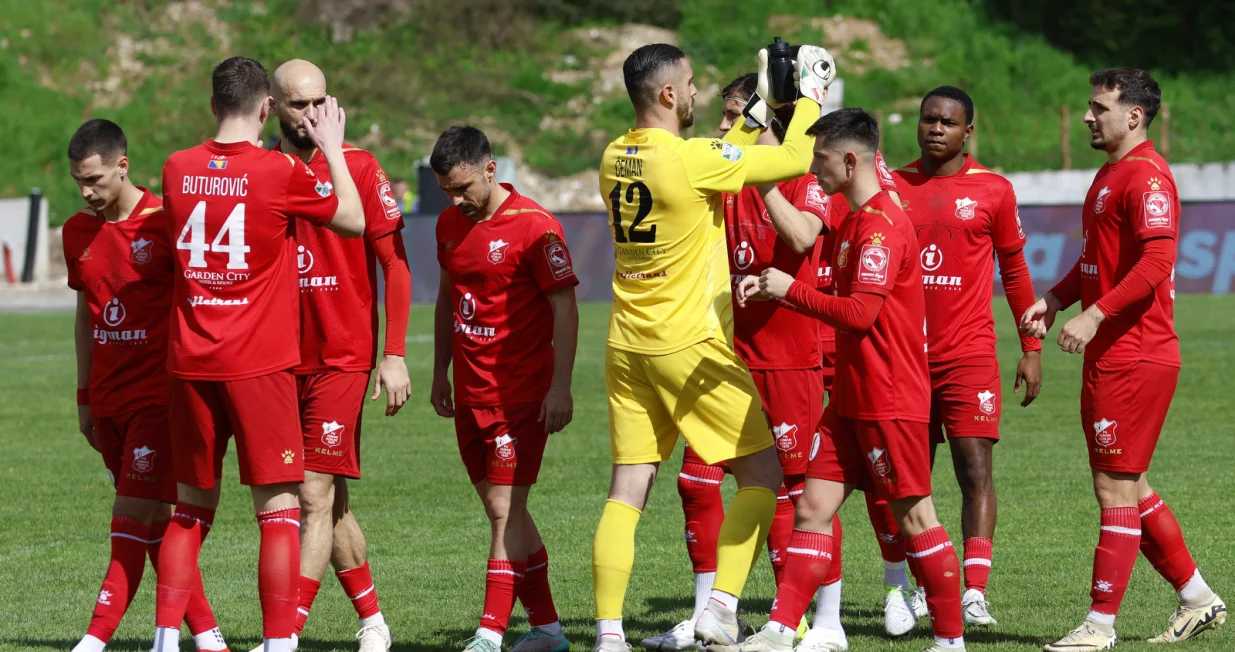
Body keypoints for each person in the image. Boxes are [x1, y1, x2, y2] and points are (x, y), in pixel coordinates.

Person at [592, 41, 837, 652]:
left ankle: (608, 634)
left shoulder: (613, 156)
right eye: (694, 84)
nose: (701, 93)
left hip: (626, 344)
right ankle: (721, 609)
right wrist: (807, 98)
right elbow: (794, 157)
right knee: (762, 473)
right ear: (670, 94)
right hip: (689, 345)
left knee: (628, 489)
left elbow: (724, 159)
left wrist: (754, 110)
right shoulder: (693, 158)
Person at [730, 108, 966, 652]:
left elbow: (859, 313)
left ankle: (951, 640)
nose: (812, 168)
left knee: (915, 518)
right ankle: (780, 629)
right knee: (812, 509)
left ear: (851, 159)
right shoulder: (854, 219)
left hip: (890, 398)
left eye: (819, 157)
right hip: (853, 399)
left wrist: (789, 290)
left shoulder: (881, 227)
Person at [150, 56, 364, 652]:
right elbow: (351, 218)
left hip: (190, 362)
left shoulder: (175, 168)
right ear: (267, 108)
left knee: (189, 510)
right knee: (278, 512)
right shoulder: (276, 172)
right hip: (258, 367)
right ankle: (277, 645)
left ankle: (165, 640)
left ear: (213, 104)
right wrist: (335, 148)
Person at [1022, 68, 1226, 652]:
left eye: (1098, 107)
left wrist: (1096, 315)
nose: (1087, 116)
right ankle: (1197, 599)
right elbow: (1098, 260)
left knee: (1113, 486)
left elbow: (1159, 260)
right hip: (1114, 352)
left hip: (1136, 353)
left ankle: (1100, 625)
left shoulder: (1148, 178)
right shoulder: (1111, 174)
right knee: (1130, 485)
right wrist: (1059, 300)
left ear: (1133, 115)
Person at [861, 85, 1043, 632]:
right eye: (927, 119)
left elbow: (1014, 271)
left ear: (969, 131)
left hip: (968, 355)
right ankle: (919, 585)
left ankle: (974, 592)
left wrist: (1030, 347)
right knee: (908, 478)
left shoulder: (994, 190)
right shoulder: (891, 187)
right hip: (904, 359)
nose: (935, 128)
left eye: (948, 122)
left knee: (975, 469)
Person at [260, 58, 412, 652]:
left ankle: (286, 635)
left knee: (311, 494)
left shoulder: (360, 168)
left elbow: (395, 265)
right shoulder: (261, 171)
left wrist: (392, 353)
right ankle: (373, 620)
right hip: (273, 359)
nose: (312, 114)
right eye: (299, 105)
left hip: (341, 356)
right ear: (273, 107)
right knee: (330, 500)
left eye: (320, 101)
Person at [63, 119, 227, 652]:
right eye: (78, 182)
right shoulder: (77, 232)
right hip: (107, 401)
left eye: (95, 180)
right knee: (153, 522)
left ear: (123, 165)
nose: (86, 192)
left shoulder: (166, 223)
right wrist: (85, 397)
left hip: (160, 398)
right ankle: (208, 635)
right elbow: (87, 318)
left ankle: (93, 640)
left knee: (130, 515)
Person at [430, 125, 578, 652]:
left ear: (491, 169)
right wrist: (439, 372)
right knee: (506, 513)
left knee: (502, 509)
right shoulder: (449, 223)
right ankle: (549, 630)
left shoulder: (535, 226)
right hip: (471, 393)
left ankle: (489, 633)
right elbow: (448, 299)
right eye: (447, 189)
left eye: (464, 186)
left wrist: (560, 387)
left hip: (520, 394)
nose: (456, 198)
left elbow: (565, 306)